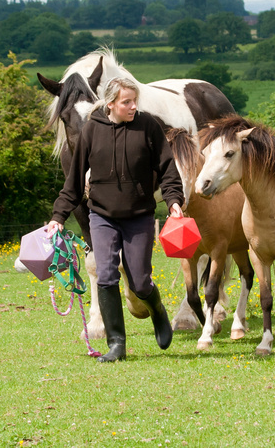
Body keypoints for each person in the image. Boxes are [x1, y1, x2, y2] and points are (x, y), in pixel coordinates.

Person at [48, 76, 184, 362]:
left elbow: (168, 168)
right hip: (102, 216)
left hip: (139, 216)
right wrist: (59, 216)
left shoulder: (148, 126)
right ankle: (117, 344)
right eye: (127, 102)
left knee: (139, 281)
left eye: (135, 101)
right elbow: (73, 181)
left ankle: (158, 310)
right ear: (110, 104)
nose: (134, 106)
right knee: (106, 275)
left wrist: (173, 202)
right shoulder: (92, 131)